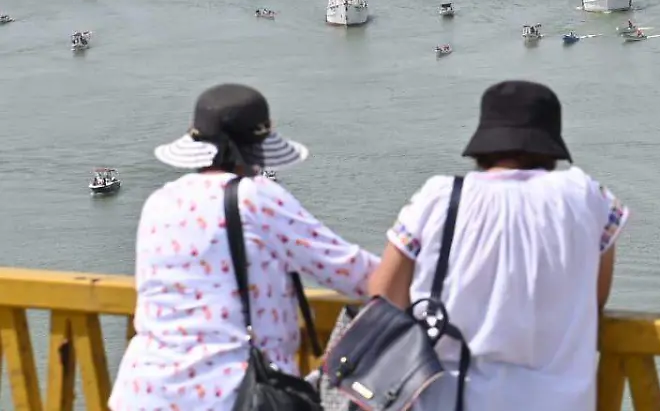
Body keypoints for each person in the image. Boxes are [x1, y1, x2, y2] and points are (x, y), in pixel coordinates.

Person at [110, 84, 379, 411]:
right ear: (259, 149)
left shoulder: (159, 201)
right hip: (231, 396)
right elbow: (358, 275)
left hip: (143, 394)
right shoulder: (256, 197)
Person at [368, 80, 628, 411]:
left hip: (448, 399)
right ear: (551, 142)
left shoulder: (440, 197)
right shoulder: (589, 197)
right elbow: (596, 296)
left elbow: (384, 293)